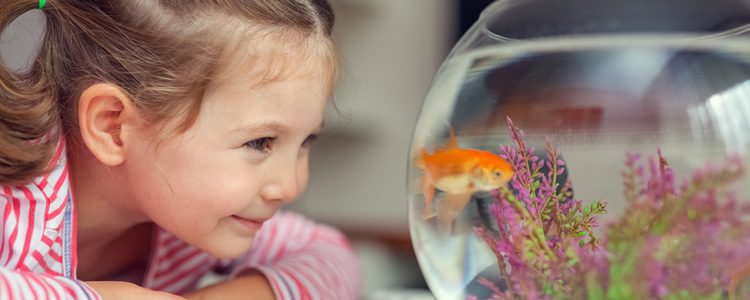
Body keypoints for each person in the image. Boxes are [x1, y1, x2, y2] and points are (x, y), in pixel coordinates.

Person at [0, 0, 360, 299]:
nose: (291, 186)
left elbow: (331, 256)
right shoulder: (12, 202)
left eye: (306, 141)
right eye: (259, 142)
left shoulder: (190, 221)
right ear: (113, 126)